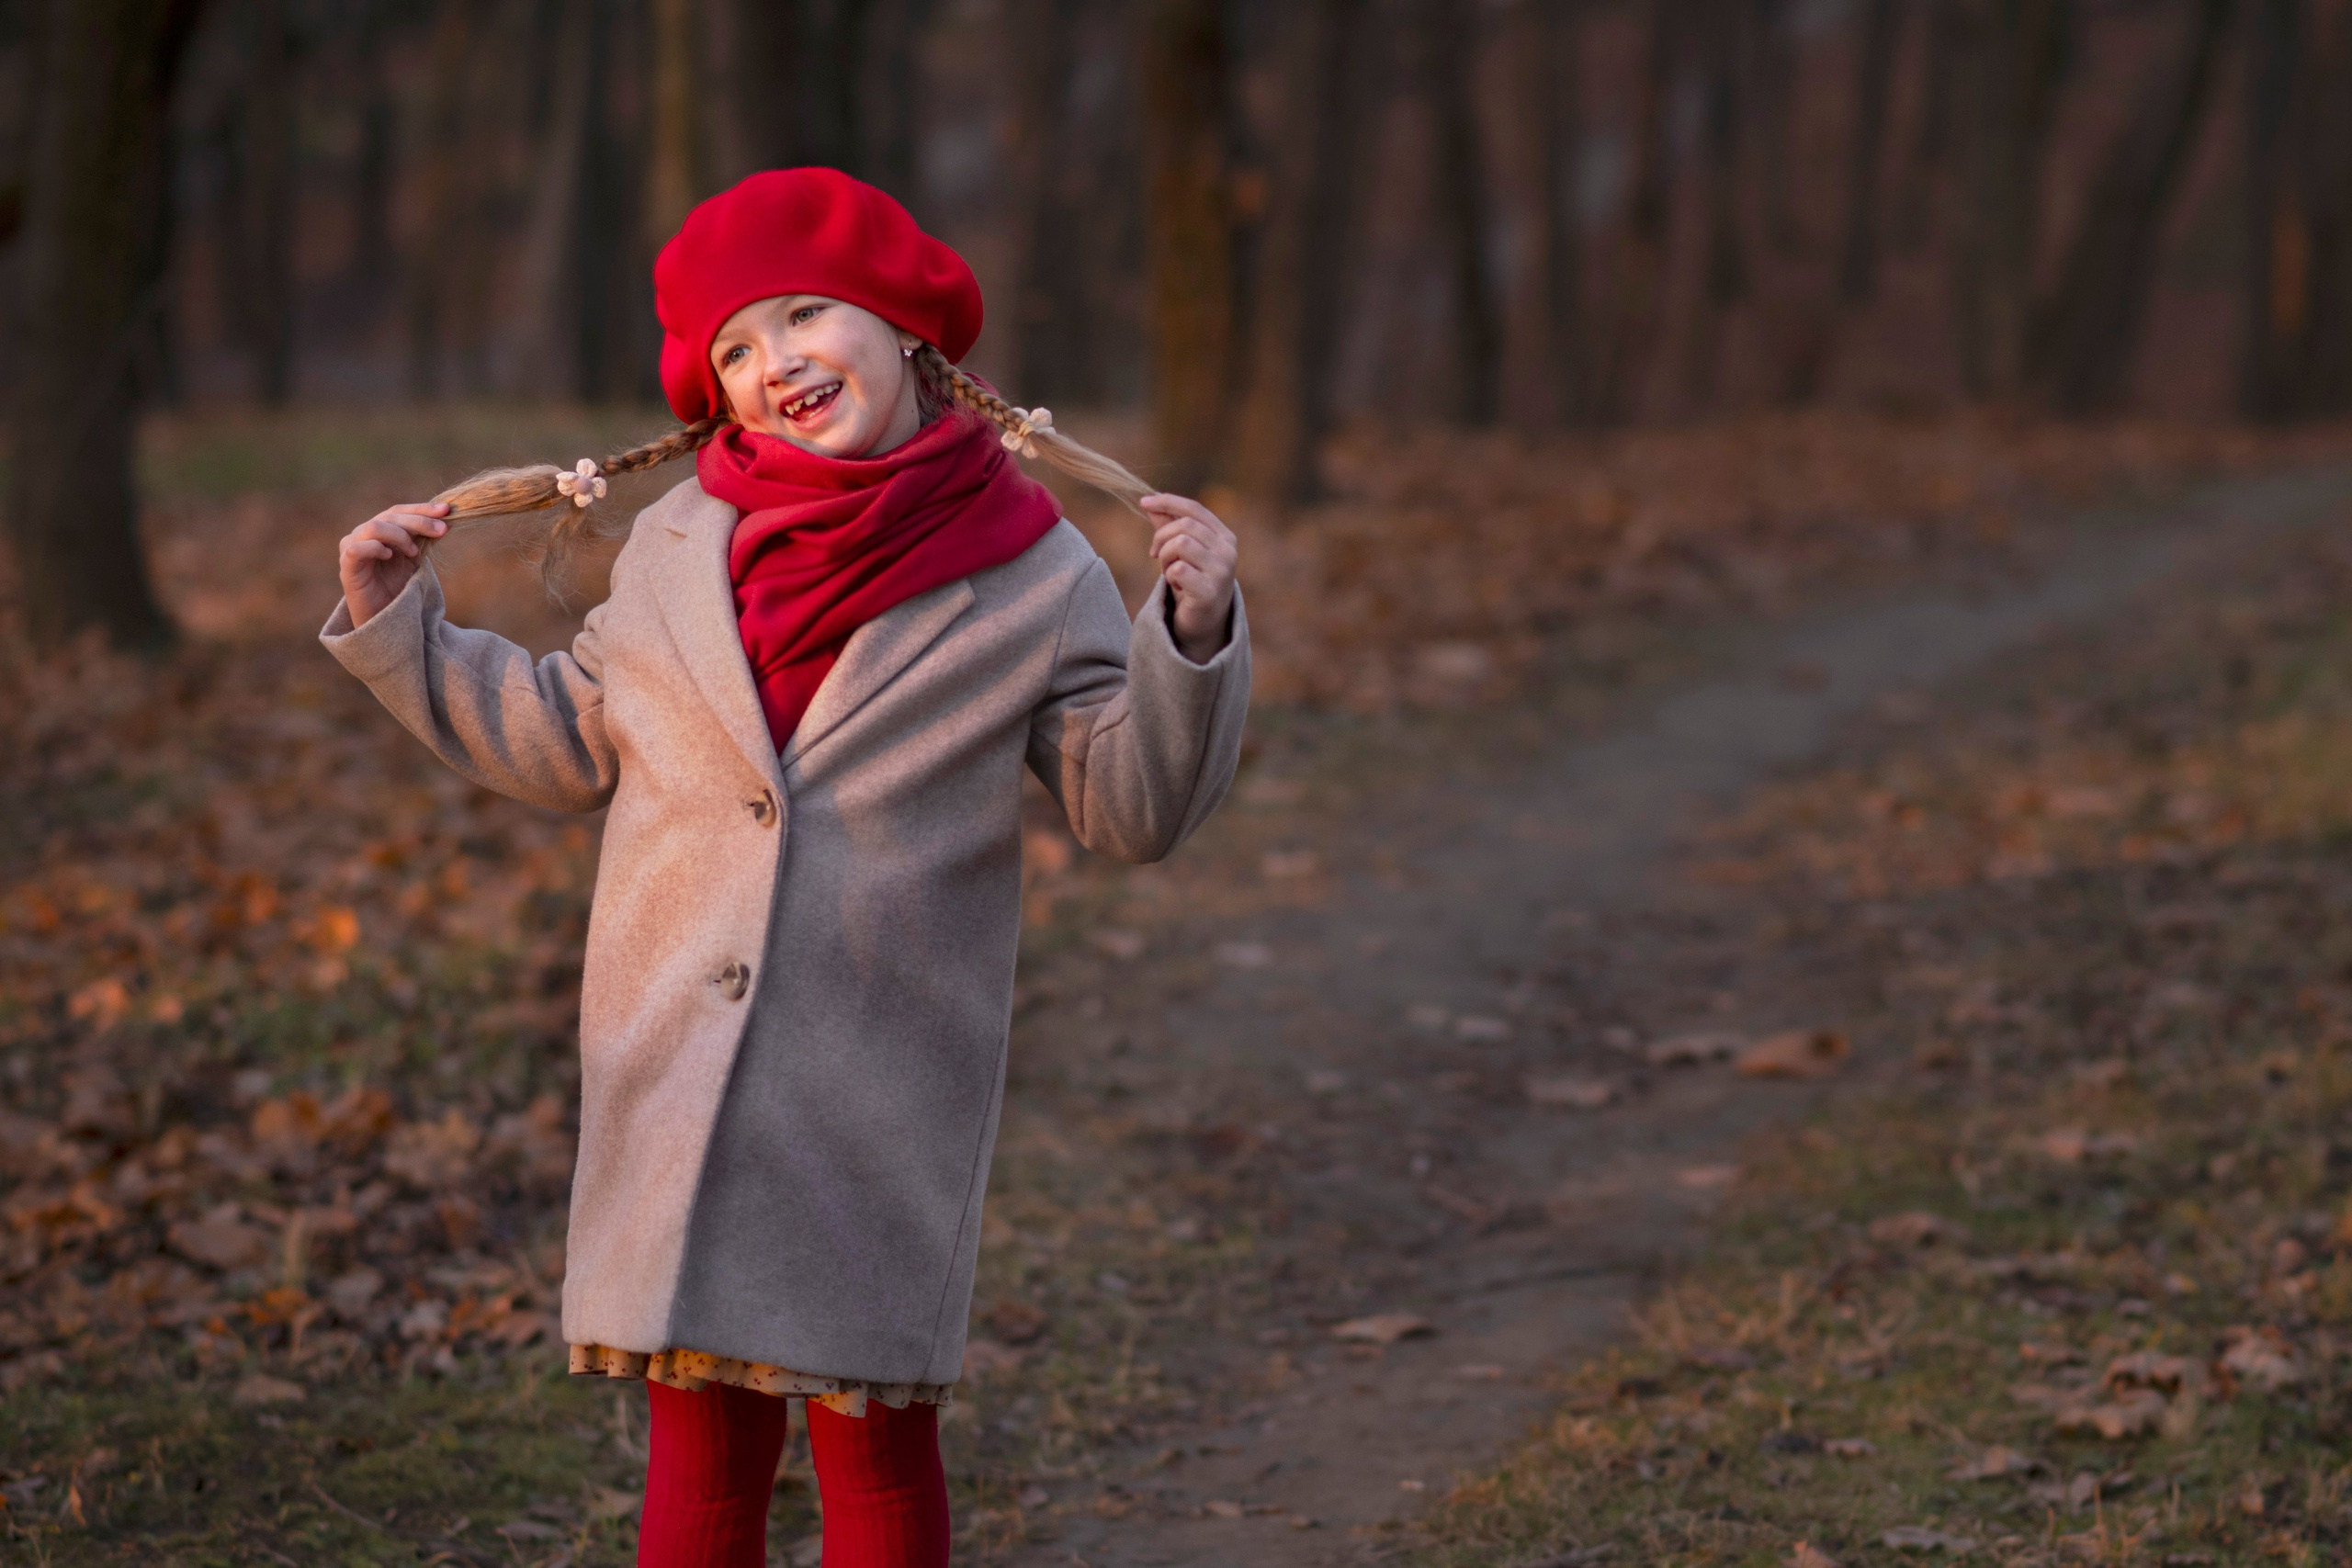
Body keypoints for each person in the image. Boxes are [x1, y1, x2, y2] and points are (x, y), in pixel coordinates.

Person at [322, 167, 1250, 1568]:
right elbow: (574, 737)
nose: (774, 366)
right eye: (735, 352)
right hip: (679, 1072)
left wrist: (1190, 630)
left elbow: (1128, 806)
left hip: (875, 1077)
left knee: (875, 1455)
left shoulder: (1031, 569)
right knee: (700, 1469)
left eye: (804, 314)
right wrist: (407, 631)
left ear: (903, 329)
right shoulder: (678, 547)